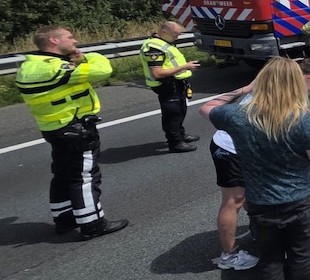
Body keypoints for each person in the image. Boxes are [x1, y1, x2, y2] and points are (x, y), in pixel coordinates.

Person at [201, 57, 310, 280]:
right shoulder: (300, 116)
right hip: (298, 199)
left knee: (270, 262)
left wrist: (245, 89)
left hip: (260, 202)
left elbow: (206, 108)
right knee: (299, 257)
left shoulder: (239, 116)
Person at [206, 58, 310, 272]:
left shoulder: (280, 85)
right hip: (230, 149)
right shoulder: (272, 90)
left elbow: (298, 109)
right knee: (234, 200)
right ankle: (229, 254)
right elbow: (208, 109)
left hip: (245, 144)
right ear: (308, 78)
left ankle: (261, 230)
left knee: (252, 193)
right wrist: (246, 89)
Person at [17, 26, 128, 238]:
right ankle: (92, 224)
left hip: (53, 127)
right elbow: (103, 70)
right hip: (75, 128)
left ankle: (64, 219)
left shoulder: (29, 66)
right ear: (53, 40)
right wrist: (88, 56)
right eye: (70, 37)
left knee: (62, 174)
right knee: (84, 177)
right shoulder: (55, 67)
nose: (75, 41)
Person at [141, 21, 202, 153]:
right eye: (175, 34)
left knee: (180, 110)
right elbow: (157, 73)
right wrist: (185, 66)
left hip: (176, 83)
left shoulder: (164, 43)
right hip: (166, 85)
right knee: (172, 114)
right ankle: (175, 142)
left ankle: (180, 134)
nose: (177, 37)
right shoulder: (154, 48)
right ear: (164, 32)